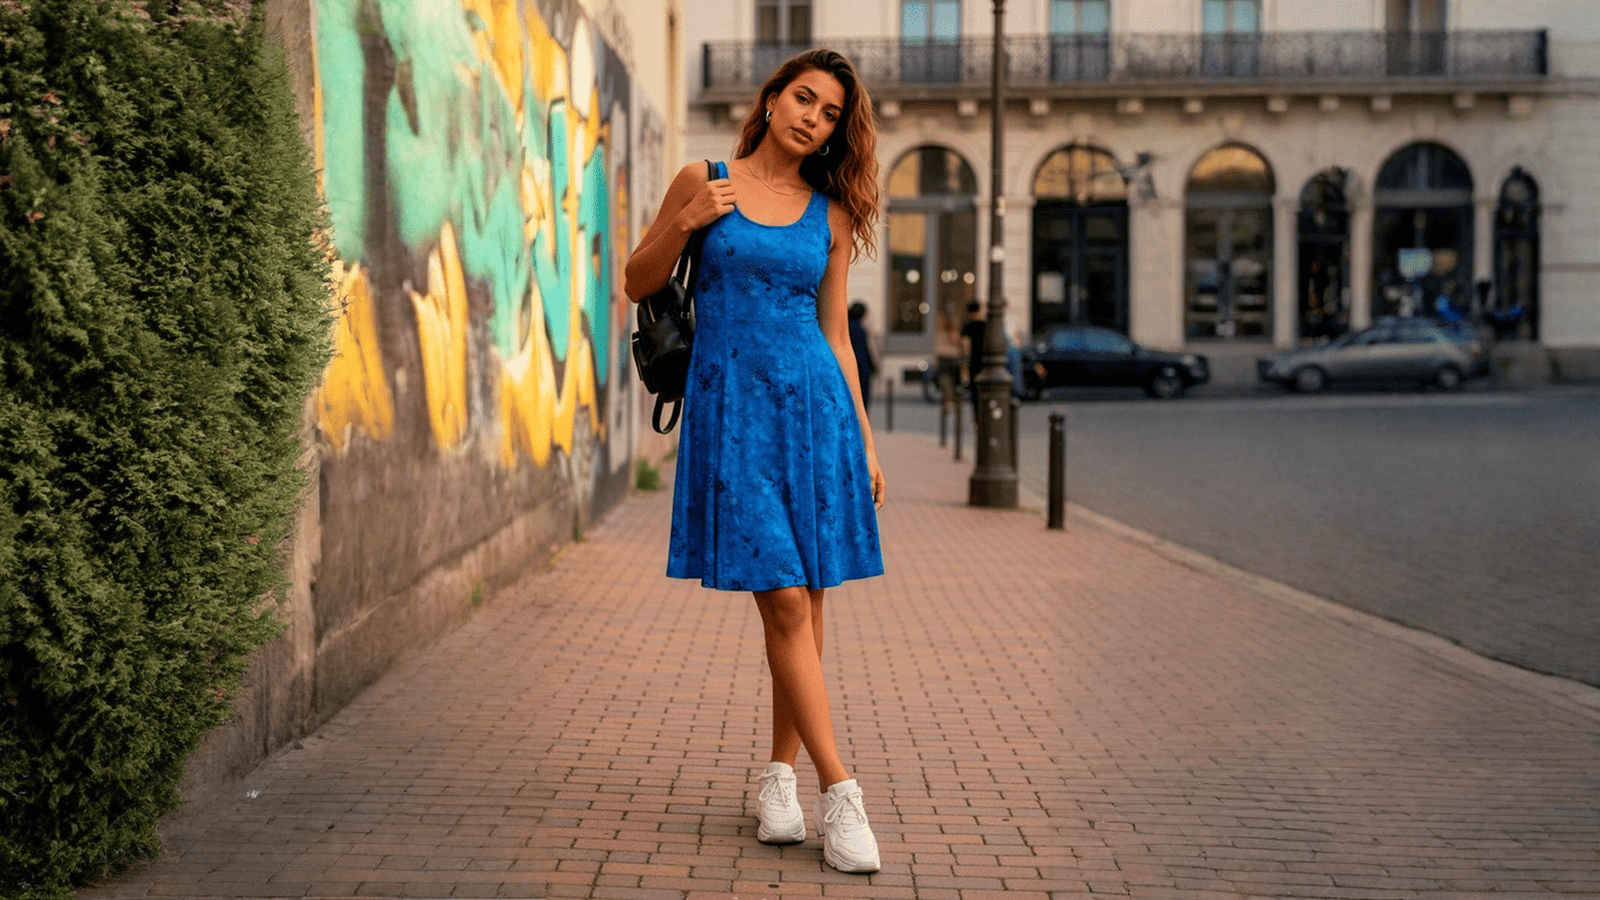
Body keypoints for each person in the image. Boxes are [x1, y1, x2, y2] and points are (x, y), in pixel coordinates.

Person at [623, 48, 885, 875]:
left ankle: (778, 778)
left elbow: (837, 338)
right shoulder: (704, 180)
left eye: (830, 113)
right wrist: (687, 220)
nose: (813, 118)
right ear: (771, 100)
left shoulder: (829, 216)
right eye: (804, 98)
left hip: (815, 414)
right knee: (785, 601)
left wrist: (865, 441)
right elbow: (637, 280)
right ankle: (841, 791)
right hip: (734, 416)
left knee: (804, 604)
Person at [847, 301, 877, 413]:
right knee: (862, 400)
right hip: (861, 368)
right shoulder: (858, 329)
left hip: (852, 367)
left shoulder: (849, 327)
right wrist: (872, 365)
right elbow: (863, 350)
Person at [960, 300, 986, 420]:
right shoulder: (986, 325)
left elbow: (964, 346)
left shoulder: (967, 326)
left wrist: (964, 365)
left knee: (975, 393)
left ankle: (977, 418)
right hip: (986, 363)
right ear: (979, 311)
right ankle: (985, 417)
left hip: (974, 363)